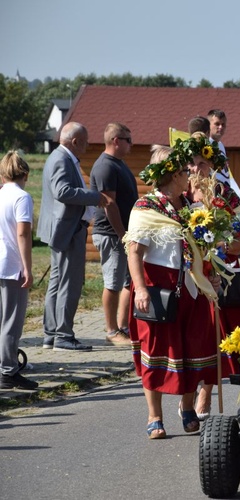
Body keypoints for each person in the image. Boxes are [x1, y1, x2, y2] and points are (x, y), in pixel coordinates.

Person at [126, 145, 218, 438]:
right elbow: (134, 251)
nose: (191, 174)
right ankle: (155, 417)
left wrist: (211, 277)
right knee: (155, 351)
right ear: (171, 175)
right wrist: (139, 288)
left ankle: (187, 407)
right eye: (184, 171)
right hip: (157, 290)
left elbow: (202, 250)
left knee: (192, 349)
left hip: (191, 289)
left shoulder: (191, 207)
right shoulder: (145, 207)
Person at [177, 132, 240, 420]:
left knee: (226, 339)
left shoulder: (226, 195)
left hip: (223, 277)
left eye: (200, 163)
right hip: (189, 279)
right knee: (194, 338)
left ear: (212, 165)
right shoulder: (178, 196)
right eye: (190, 164)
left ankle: (208, 394)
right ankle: (190, 394)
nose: (195, 169)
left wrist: (221, 247)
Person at [38, 122, 110, 351]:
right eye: (86, 141)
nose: (88, 146)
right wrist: (94, 197)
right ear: (75, 141)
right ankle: (63, 336)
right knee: (69, 284)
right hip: (68, 230)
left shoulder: (59, 157)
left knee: (58, 283)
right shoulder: (61, 159)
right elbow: (62, 192)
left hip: (62, 229)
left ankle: (52, 334)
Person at [89, 122, 139, 346]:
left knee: (128, 281)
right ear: (116, 141)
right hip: (111, 233)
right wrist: (122, 234)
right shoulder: (105, 166)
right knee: (113, 282)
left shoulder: (118, 163)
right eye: (128, 140)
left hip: (123, 233)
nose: (131, 144)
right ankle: (111, 332)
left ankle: (122, 327)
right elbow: (108, 204)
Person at [0, 152, 38, 390]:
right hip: (12, 264)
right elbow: (23, 233)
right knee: (11, 321)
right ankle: (7, 370)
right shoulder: (22, 197)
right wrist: (27, 266)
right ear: (25, 174)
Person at [207, 109, 240, 205]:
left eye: (223, 125)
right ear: (208, 125)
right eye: (217, 124)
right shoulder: (205, 145)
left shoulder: (220, 145)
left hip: (224, 193)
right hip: (212, 194)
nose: (220, 127)